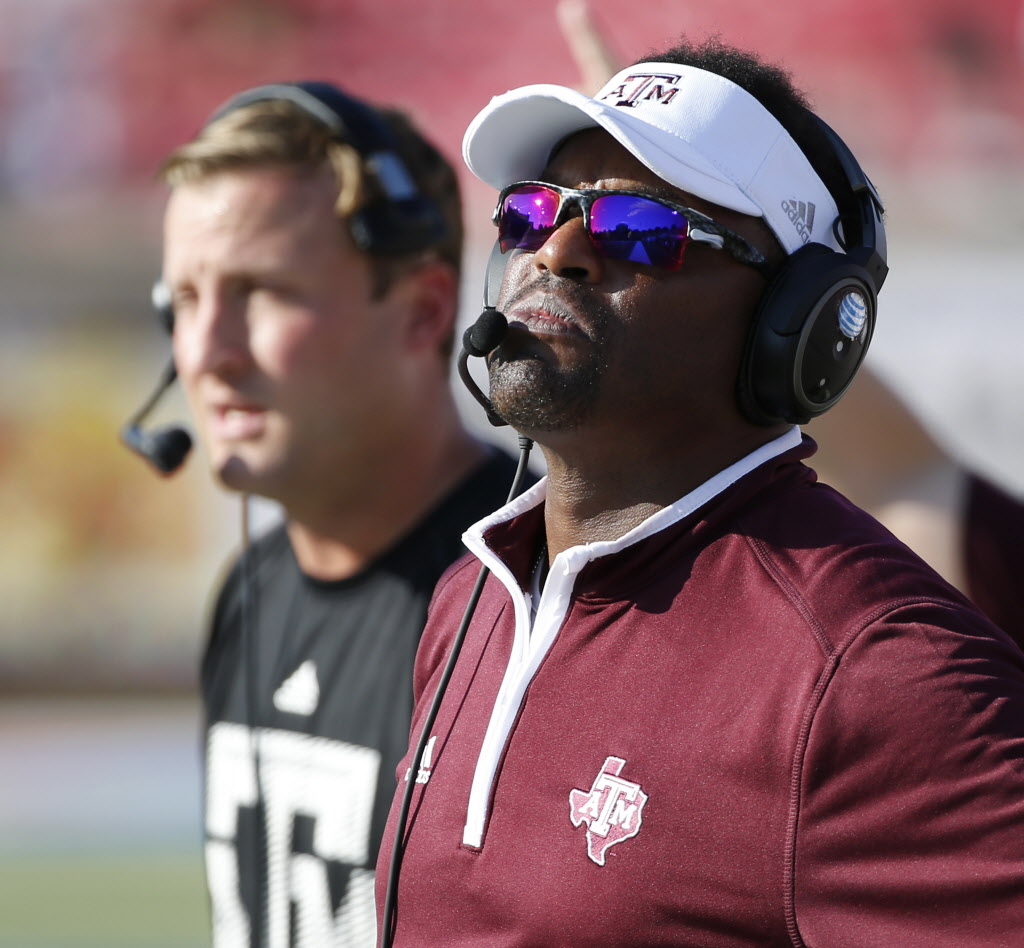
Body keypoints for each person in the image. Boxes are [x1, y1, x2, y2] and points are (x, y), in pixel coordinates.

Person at [375, 38, 1024, 946]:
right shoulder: (473, 594)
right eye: (531, 212)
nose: (556, 251)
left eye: (640, 229)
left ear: (794, 323)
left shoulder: (877, 673)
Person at [157, 81, 523, 946]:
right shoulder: (253, 589)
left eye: (263, 292)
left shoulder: (532, 597)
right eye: (183, 301)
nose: (207, 352)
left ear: (426, 311)